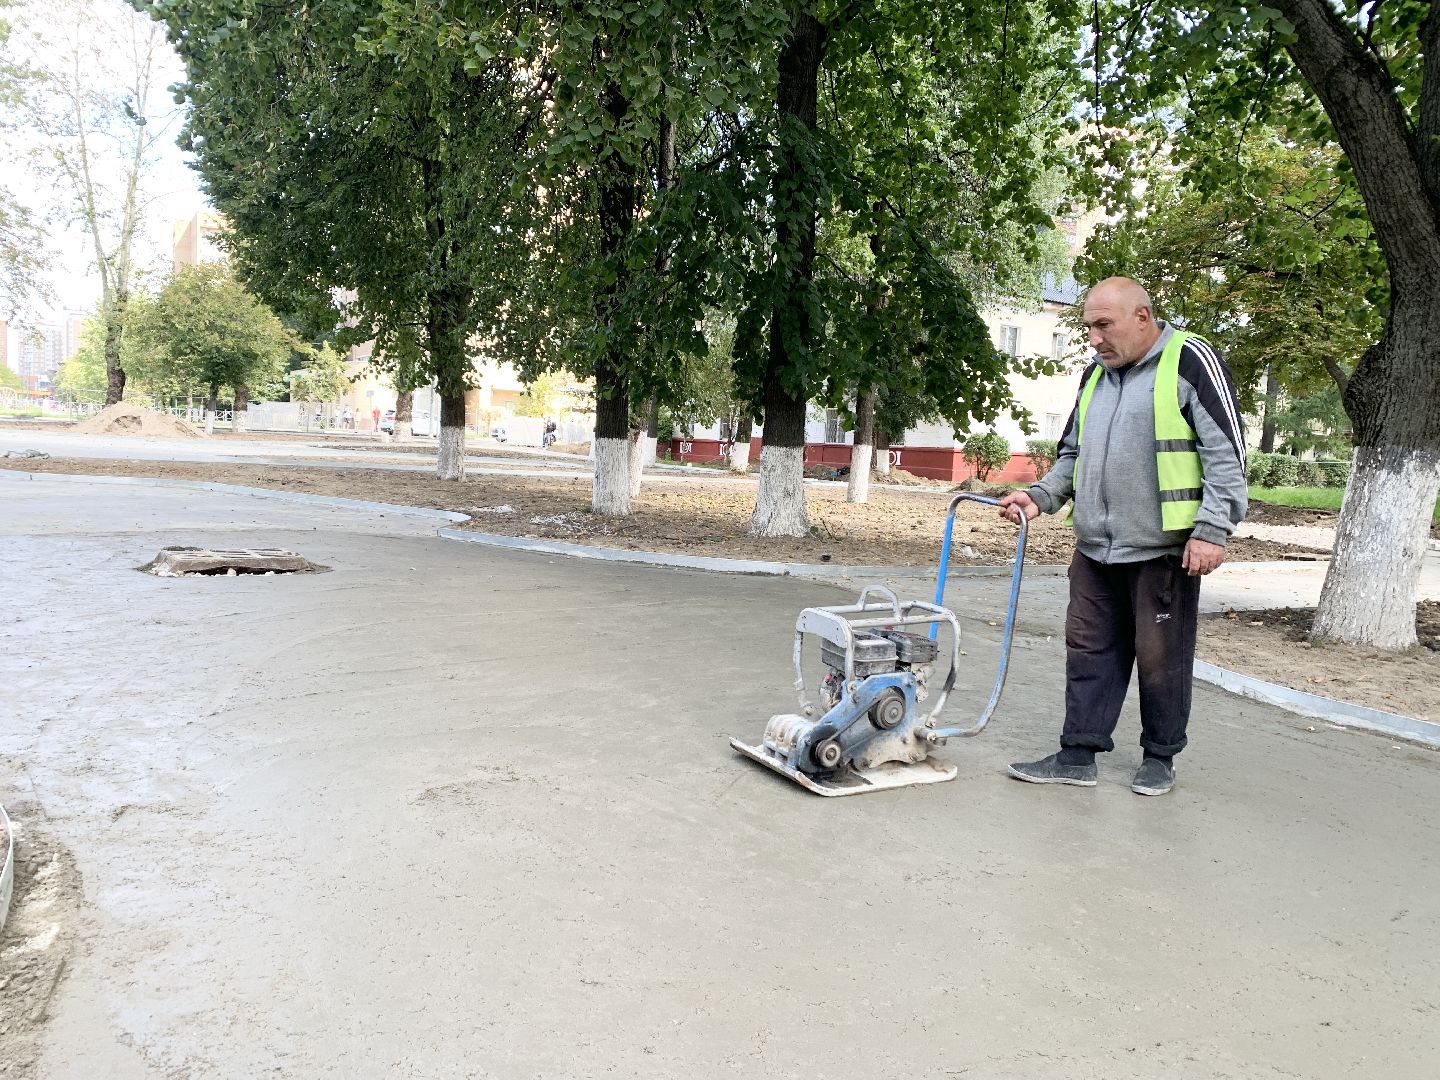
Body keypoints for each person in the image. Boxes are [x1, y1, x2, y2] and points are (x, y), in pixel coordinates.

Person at [998, 277, 1247, 796]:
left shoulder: (1190, 360)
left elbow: (1226, 455)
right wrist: (1040, 497)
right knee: (1087, 650)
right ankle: (1078, 753)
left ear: (1142, 316)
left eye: (1103, 325)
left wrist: (1212, 529)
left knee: (1161, 659)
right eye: (1088, 327)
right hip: (1094, 547)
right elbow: (1072, 453)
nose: (1093, 338)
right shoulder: (1096, 374)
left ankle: (1160, 758)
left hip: (1165, 551)